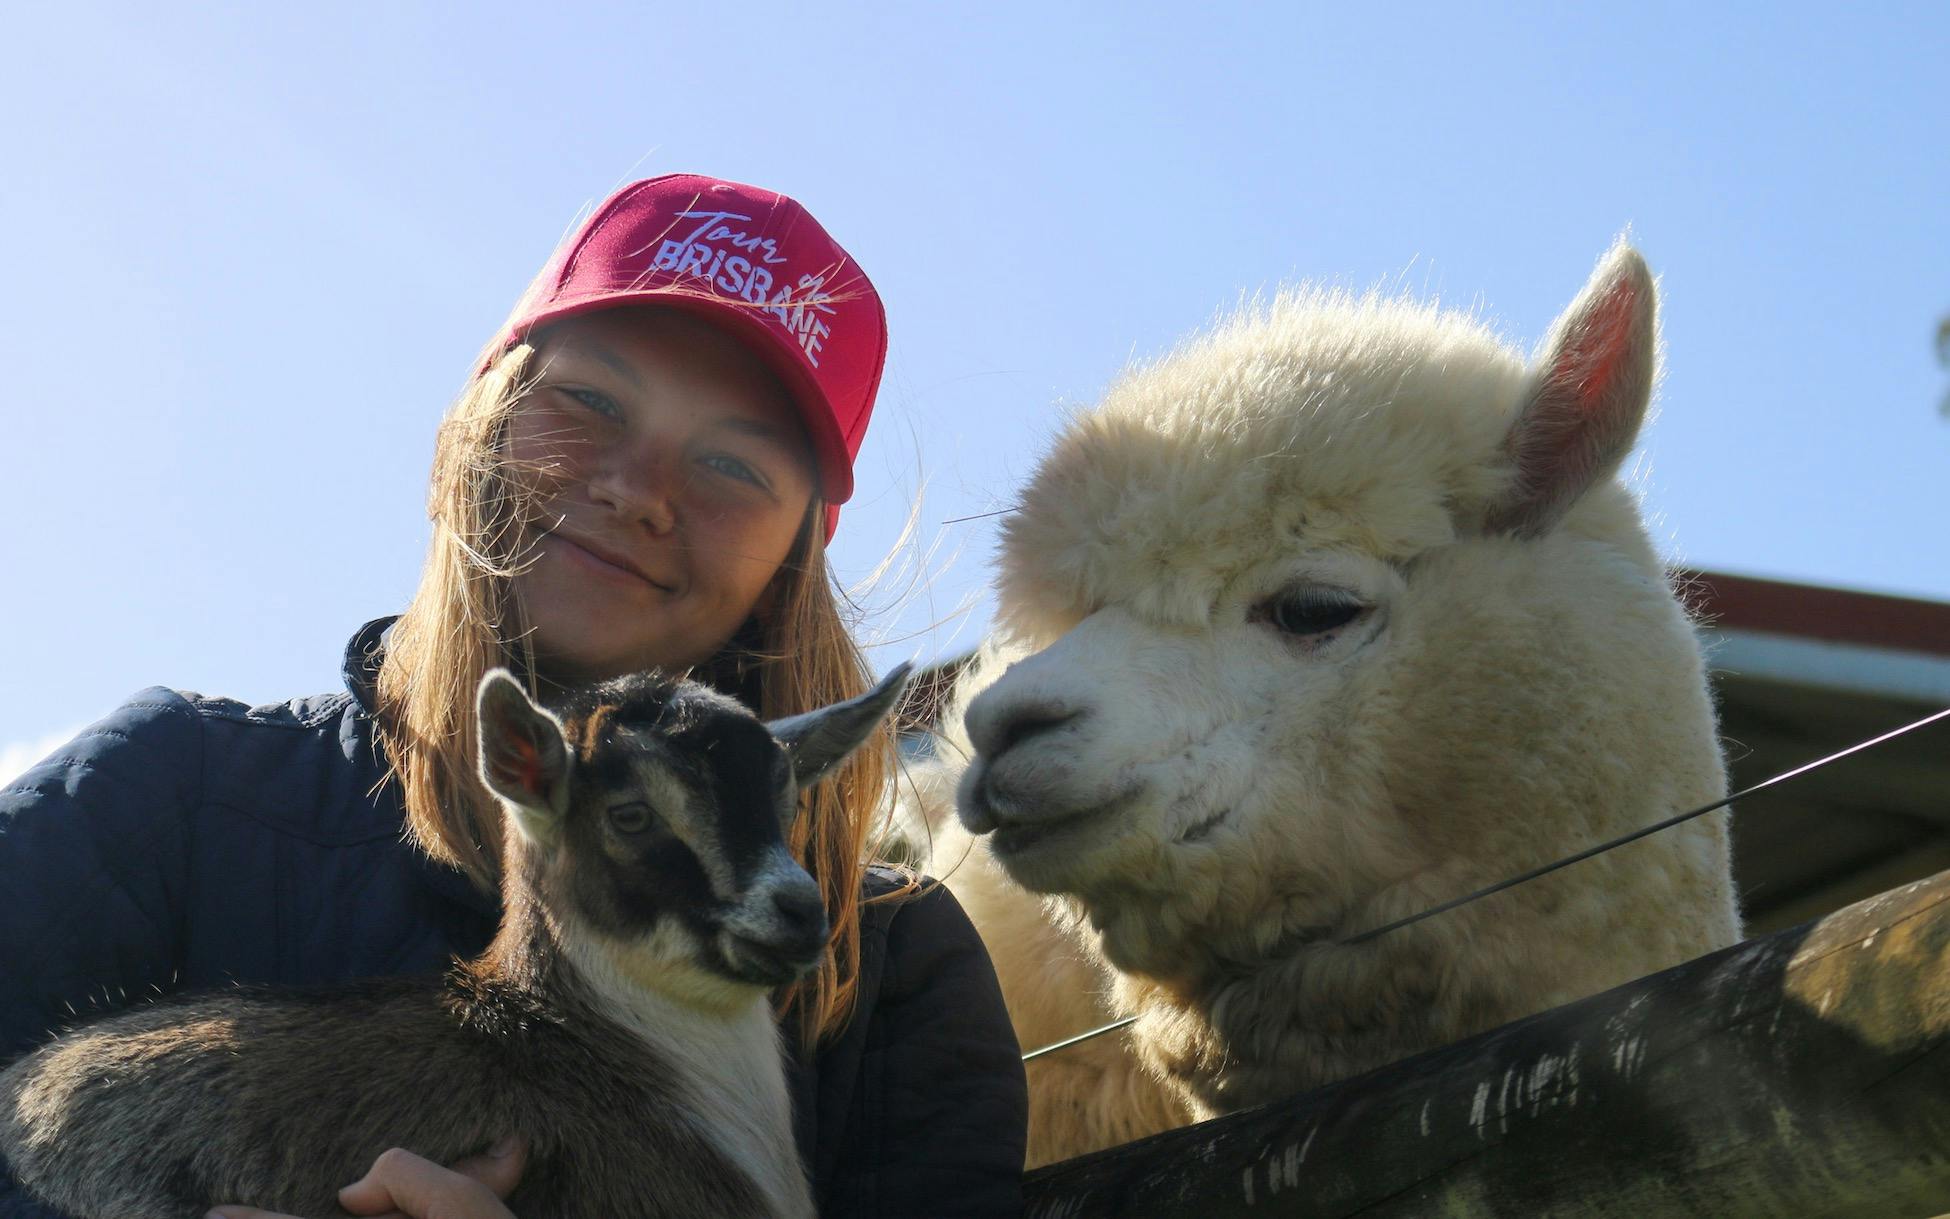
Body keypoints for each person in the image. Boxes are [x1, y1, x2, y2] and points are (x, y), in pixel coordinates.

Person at [0, 174, 1027, 1218]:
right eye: (590, 403)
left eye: (729, 464)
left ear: (795, 554)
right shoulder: (168, 805)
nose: (638, 487)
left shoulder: (889, 971)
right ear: (480, 422)